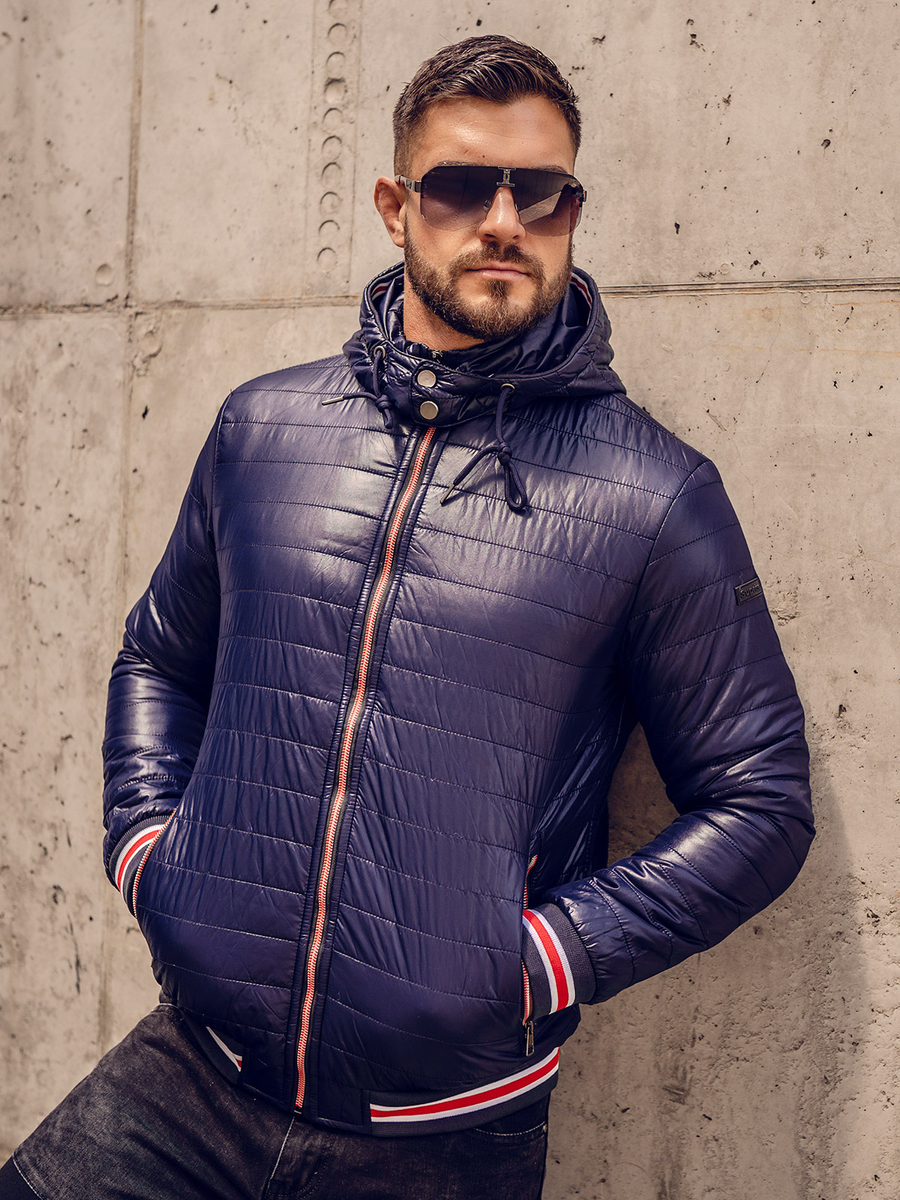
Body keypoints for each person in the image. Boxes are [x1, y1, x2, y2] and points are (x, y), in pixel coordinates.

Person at [2, 34, 814, 1200]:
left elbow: (760, 804)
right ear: (396, 206)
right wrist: (147, 850)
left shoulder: (653, 496)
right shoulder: (262, 431)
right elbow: (160, 659)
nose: (504, 221)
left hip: (443, 1137)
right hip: (192, 1077)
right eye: (461, 186)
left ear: (573, 210)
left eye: (541, 192)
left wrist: (537, 961)